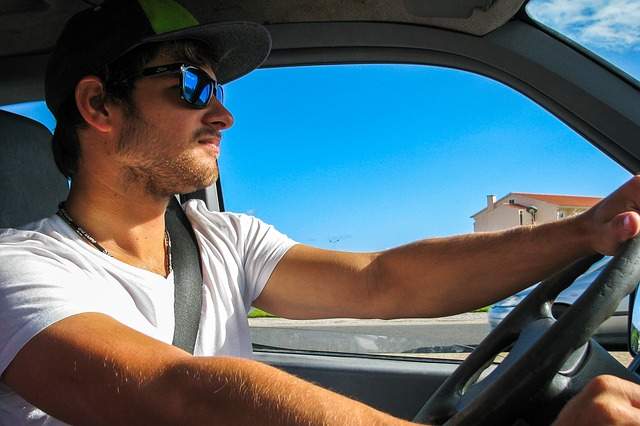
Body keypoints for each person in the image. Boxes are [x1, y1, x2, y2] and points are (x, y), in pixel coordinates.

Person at [0, 0, 639, 424]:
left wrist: (589, 230)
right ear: (99, 106)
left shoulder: (222, 239)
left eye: (218, 88)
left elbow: (382, 278)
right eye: (193, 85)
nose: (223, 113)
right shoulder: (17, 271)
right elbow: (180, 392)